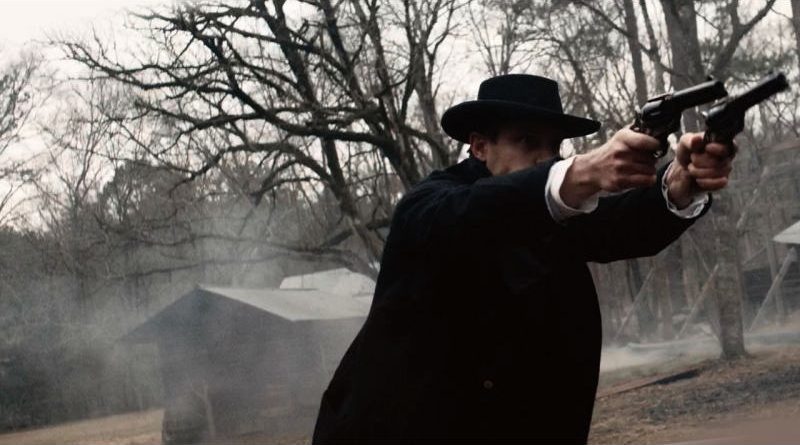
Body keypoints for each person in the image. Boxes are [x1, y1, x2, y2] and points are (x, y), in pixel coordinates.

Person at [312, 74, 734, 444]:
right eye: (527, 141)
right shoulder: (431, 207)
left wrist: (681, 183)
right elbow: (474, 216)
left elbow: (618, 223)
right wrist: (581, 172)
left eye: (554, 145)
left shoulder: (552, 215)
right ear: (479, 146)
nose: (545, 157)